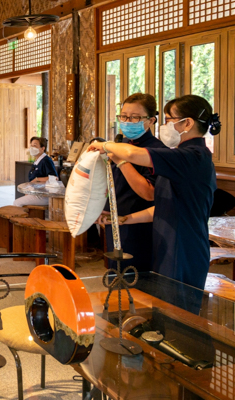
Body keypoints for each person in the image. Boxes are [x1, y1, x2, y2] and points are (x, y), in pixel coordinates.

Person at [88, 94, 219, 290]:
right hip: (166, 241)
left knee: (176, 312)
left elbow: (132, 155)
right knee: (157, 307)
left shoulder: (193, 156)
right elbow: (166, 205)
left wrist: (104, 145)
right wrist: (125, 218)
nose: (165, 127)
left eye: (168, 120)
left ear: (187, 123)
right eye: (123, 116)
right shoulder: (179, 157)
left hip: (183, 246)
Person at [96, 93, 166, 272]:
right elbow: (114, 184)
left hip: (142, 225)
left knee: (137, 278)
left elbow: (149, 193)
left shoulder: (157, 151)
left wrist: (122, 160)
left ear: (151, 121)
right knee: (116, 274)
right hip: (116, 221)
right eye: (124, 116)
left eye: (135, 117)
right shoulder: (121, 144)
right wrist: (102, 208)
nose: (128, 121)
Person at [13, 136, 59, 207]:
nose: (32, 148)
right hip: (36, 193)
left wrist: (37, 179)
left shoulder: (46, 160)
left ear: (42, 148)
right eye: (31, 146)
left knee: (17, 203)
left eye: (35, 146)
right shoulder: (37, 161)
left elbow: (55, 178)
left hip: (44, 195)